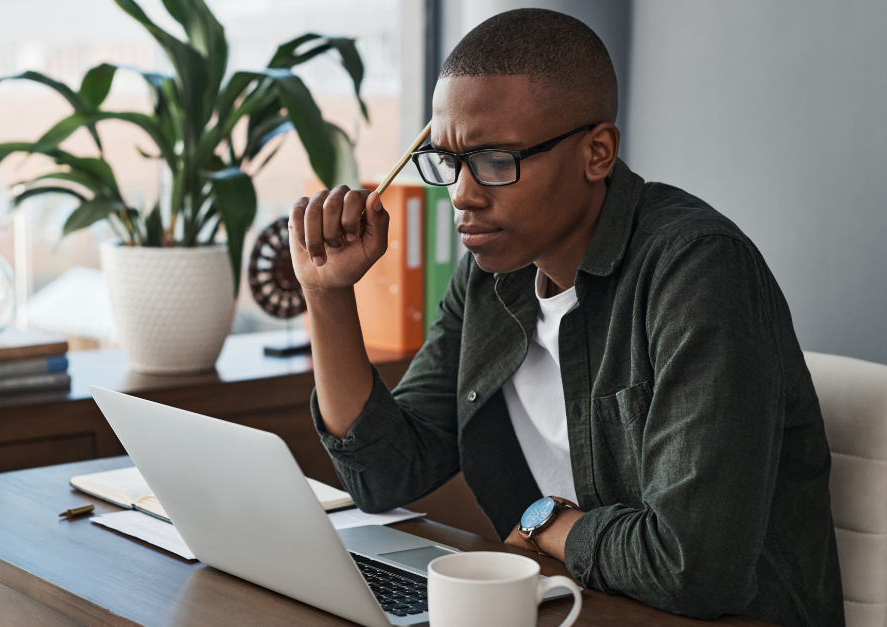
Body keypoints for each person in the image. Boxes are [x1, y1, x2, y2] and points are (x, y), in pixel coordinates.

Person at [289, 8, 843, 627]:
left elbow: (695, 569)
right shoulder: (491, 274)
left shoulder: (698, 272)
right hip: (578, 604)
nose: (464, 195)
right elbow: (386, 475)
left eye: (496, 159)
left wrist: (546, 521)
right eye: (448, 160)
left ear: (597, 153)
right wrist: (328, 296)